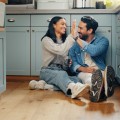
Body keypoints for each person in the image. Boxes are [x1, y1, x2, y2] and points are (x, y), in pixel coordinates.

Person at [29, 16, 90, 99]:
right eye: (62, 24)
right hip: (47, 71)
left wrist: (66, 63)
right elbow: (61, 51)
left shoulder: (64, 42)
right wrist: (71, 36)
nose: (65, 26)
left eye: (65, 24)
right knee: (62, 75)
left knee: (77, 80)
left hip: (60, 71)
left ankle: (45, 86)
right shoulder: (46, 40)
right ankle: (72, 90)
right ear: (54, 25)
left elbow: (64, 64)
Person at [69, 16, 115, 102]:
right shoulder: (75, 45)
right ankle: (101, 89)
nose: (78, 30)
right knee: (88, 77)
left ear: (90, 31)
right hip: (84, 72)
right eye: (78, 27)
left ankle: (102, 85)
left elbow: (94, 51)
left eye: (81, 28)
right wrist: (84, 69)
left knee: (100, 75)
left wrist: (76, 38)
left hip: (99, 70)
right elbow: (72, 65)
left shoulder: (103, 41)